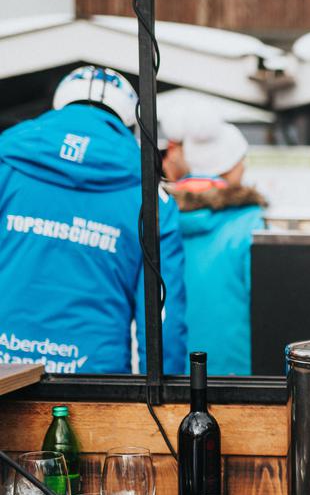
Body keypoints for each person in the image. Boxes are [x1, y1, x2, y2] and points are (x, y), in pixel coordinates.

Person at [0, 66, 187, 374]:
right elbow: (162, 318)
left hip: (5, 372)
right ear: (129, 125)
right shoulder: (150, 198)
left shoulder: (7, 164)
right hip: (95, 386)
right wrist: (164, 404)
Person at [168, 116, 265, 375]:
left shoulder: (162, 215)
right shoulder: (250, 222)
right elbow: (265, 304)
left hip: (174, 369)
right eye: (241, 160)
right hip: (237, 373)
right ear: (231, 166)